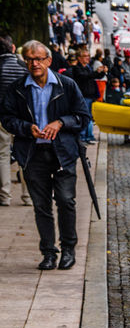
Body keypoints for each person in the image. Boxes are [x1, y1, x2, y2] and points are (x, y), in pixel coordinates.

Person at [0, 40, 90, 269]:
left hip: (63, 154)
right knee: (41, 206)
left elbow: (83, 117)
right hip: (32, 153)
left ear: (49, 60)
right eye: (29, 59)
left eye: (39, 58)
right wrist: (25, 128)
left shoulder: (66, 85)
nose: (34, 63)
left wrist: (60, 122)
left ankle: (68, 249)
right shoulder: (18, 88)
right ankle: (49, 252)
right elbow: (7, 118)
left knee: (66, 201)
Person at [0, 36, 32, 206]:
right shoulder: (23, 67)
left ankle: (5, 195)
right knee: (24, 155)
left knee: (2, 155)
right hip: (22, 117)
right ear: (13, 48)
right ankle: (27, 196)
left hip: (2, 117)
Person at [66, 48, 101, 143]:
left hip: (90, 95)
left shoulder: (87, 67)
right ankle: (82, 136)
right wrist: (96, 73)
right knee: (83, 116)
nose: (87, 58)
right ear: (79, 58)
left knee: (89, 116)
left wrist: (101, 72)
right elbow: (84, 77)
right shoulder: (77, 68)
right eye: (85, 56)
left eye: (88, 56)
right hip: (83, 95)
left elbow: (94, 77)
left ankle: (89, 136)